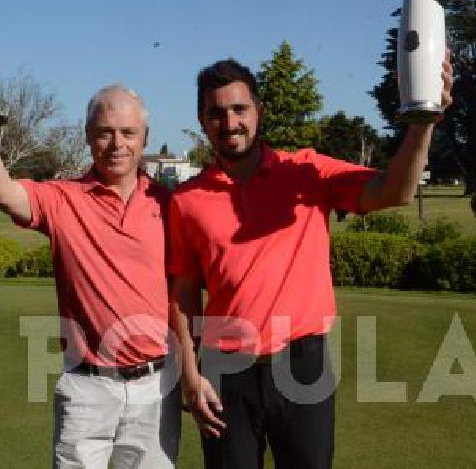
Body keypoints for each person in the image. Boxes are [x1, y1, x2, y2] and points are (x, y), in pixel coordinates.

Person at [168, 56, 452, 468]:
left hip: (302, 366)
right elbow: (183, 292)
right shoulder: (186, 200)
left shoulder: (306, 172)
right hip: (225, 371)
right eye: (216, 113)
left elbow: (395, 190)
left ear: (258, 111)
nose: (229, 122)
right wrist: (189, 375)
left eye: (239, 109)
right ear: (202, 119)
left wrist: (424, 120)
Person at [0, 67, 180, 469]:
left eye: (128, 133)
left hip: (156, 389)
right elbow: (0, 191)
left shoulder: (171, 205)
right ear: (87, 136)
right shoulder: (63, 199)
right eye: (104, 132)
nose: (116, 143)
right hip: (87, 388)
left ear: (145, 139)